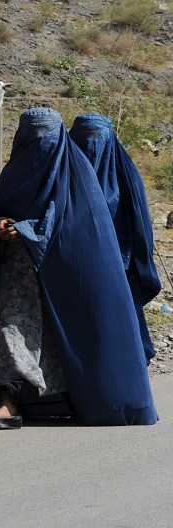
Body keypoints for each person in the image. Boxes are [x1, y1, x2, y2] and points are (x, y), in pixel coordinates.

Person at [0, 107, 158, 430]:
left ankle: (80, 398)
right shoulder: (14, 174)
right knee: (11, 330)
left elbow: (74, 220)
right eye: (32, 135)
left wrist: (28, 230)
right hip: (20, 275)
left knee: (70, 337)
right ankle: (7, 403)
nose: (38, 143)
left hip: (74, 273)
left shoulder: (78, 177)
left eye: (45, 135)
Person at [69, 113, 162, 364]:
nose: (90, 146)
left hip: (118, 262)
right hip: (72, 263)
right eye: (83, 139)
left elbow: (140, 223)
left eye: (96, 138)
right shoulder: (63, 175)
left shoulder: (125, 178)